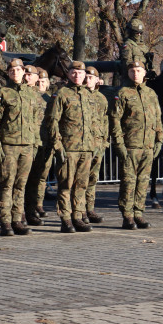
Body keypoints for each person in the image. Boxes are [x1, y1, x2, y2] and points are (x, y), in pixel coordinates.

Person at [0, 58, 43, 236]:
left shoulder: (32, 94)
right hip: (8, 145)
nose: (15, 73)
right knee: (6, 184)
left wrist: (35, 143)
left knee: (21, 185)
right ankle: (5, 221)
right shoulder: (3, 93)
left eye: (18, 70)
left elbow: (36, 121)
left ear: (23, 73)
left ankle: (17, 219)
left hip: (27, 145)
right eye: (12, 70)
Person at [111, 61, 163, 229]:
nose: (135, 73)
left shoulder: (151, 94)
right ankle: (127, 215)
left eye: (138, 70)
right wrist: (119, 143)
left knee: (143, 181)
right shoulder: (123, 93)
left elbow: (158, 118)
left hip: (147, 145)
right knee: (128, 181)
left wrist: (159, 139)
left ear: (144, 73)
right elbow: (115, 120)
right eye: (132, 71)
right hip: (130, 146)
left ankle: (138, 213)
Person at [47, 61, 94, 233]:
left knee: (81, 185)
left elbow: (93, 122)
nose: (77, 76)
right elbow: (52, 121)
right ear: (68, 74)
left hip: (86, 148)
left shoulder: (89, 95)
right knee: (66, 184)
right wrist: (58, 146)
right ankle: (66, 218)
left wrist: (94, 144)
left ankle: (78, 216)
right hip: (68, 148)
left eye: (80, 73)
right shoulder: (62, 94)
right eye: (74, 72)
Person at [25, 67, 54, 225]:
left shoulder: (49, 99)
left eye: (44, 82)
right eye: (40, 81)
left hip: (44, 141)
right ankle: (24, 209)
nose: (41, 84)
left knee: (40, 176)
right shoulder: (28, 95)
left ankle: (37, 204)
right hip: (29, 141)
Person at [83, 67, 110, 225]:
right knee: (79, 179)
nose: (88, 80)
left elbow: (105, 121)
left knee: (92, 178)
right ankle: (78, 210)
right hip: (81, 145)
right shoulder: (79, 96)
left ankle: (89, 208)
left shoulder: (101, 98)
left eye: (91, 77)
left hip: (98, 144)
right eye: (86, 77)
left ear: (97, 80)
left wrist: (105, 141)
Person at [119, 18, 149, 84]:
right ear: (131, 32)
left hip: (143, 80)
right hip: (130, 80)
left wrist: (151, 69)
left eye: (140, 33)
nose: (139, 35)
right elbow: (127, 63)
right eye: (136, 33)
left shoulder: (143, 46)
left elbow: (148, 62)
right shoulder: (127, 45)